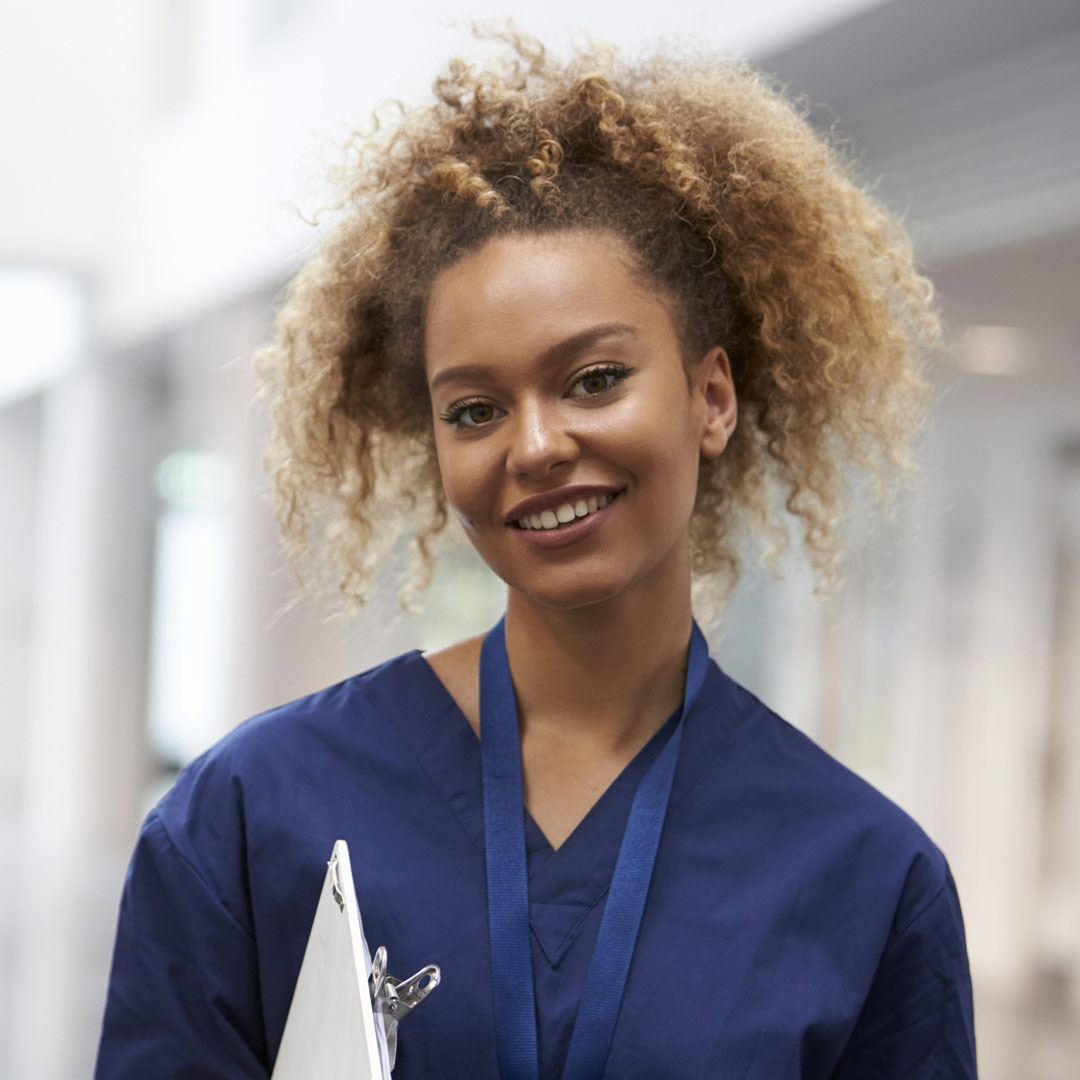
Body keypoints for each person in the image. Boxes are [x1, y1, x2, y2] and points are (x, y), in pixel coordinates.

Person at [94, 27, 978, 1080]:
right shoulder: (254, 813)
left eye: (594, 379)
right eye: (473, 408)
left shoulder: (864, 877)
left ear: (712, 397)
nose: (537, 445)